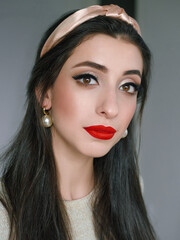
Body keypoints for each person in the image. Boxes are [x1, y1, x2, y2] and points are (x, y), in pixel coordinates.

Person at [0, 4, 156, 240]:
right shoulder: (4, 213)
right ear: (45, 92)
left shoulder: (132, 192)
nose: (111, 108)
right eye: (88, 78)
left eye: (127, 86)